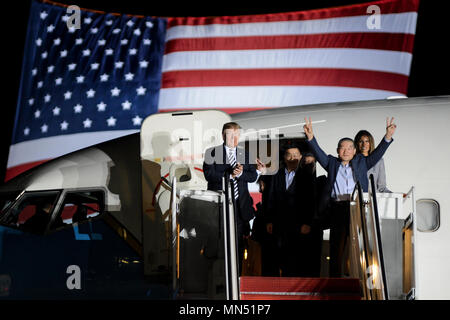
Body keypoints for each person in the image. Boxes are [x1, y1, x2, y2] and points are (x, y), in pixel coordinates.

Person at [303, 117, 397, 277]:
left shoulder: (362, 162)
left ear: (354, 151)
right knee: (336, 247)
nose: (346, 151)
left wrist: (387, 136)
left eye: (349, 148)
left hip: (357, 208)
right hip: (337, 208)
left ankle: (361, 279)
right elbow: (319, 154)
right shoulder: (331, 163)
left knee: (359, 245)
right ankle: (335, 281)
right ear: (338, 150)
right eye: (342, 148)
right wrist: (311, 137)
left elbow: (377, 154)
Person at [203, 122, 258, 275]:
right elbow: (209, 175)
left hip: (240, 208)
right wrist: (229, 174)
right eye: (230, 135)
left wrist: (240, 174)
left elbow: (252, 176)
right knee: (219, 244)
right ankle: (219, 278)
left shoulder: (245, 154)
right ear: (223, 136)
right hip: (219, 207)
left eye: (236, 135)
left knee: (239, 246)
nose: (234, 138)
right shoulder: (211, 153)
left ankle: (237, 278)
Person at [265, 145, 316, 277]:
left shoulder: (307, 176)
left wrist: (307, 223)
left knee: (294, 256)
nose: (292, 157)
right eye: (289, 155)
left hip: (298, 224)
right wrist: (269, 220)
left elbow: (310, 201)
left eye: (295, 155)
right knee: (276, 255)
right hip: (278, 222)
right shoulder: (276, 174)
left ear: (300, 157)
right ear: (284, 157)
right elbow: (269, 197)